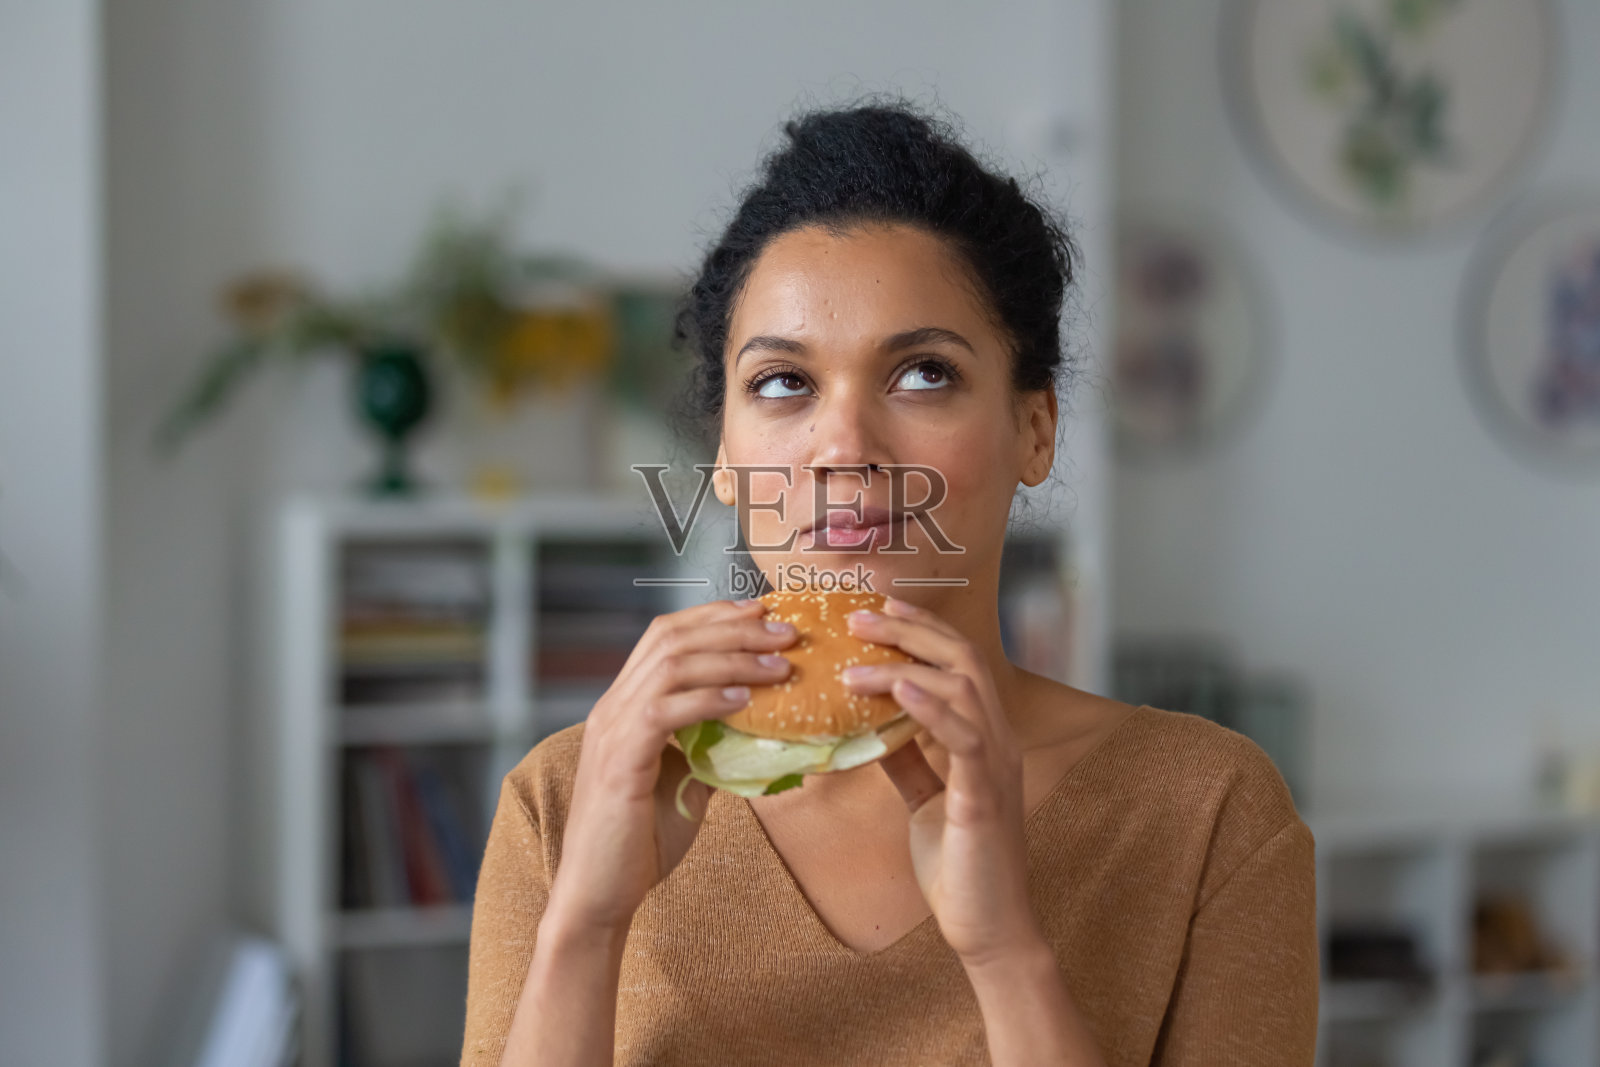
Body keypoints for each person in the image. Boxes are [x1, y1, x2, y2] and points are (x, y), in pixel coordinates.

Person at [460, 99, 1318, 1067]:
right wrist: (586, 923)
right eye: (783, 383)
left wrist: (1005, 951)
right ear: (727, 458)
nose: (844, 448)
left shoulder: (1207, 812)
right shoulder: (563, 799)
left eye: (920, 374)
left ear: (1033, 427)